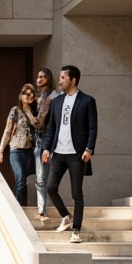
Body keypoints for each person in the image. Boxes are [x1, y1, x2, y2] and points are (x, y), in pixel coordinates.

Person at [40, 65, 97, 244]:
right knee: (50, 187)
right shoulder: (57, 102)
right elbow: (52, 128)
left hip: (77, 154)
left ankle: (76, 231)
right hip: (58, 152)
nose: (59, 80)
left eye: (63, 77)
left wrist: (89, 149)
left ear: (73, 80)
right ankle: (66, 216)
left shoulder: (87, 100)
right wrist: (47, 148)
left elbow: (92, 127)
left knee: (76, 193)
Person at [0, 83, 44, 206]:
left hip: (29, 152)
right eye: (27, 94)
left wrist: (29, 111)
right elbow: (7, 131)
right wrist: (0, 151)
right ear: (21, 95)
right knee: (20, 180)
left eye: (32, 94)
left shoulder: (34, 111)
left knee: (24, 182)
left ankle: (22, 206)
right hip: (16, 151)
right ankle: (17, 209)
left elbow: (37, 125)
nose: (29, 96)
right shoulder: (15, 110)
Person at [31, 67, 59, 224]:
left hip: (47, 141)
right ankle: (42, 211)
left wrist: (28, 112)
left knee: (43, 179)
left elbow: (39, 122)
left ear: (49, 78)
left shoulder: (50, 97)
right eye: (38, 76)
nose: (39, 79)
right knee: (41, 178)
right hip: (41, 140)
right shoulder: (40, 97)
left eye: (42, 77)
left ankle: (43, 211)